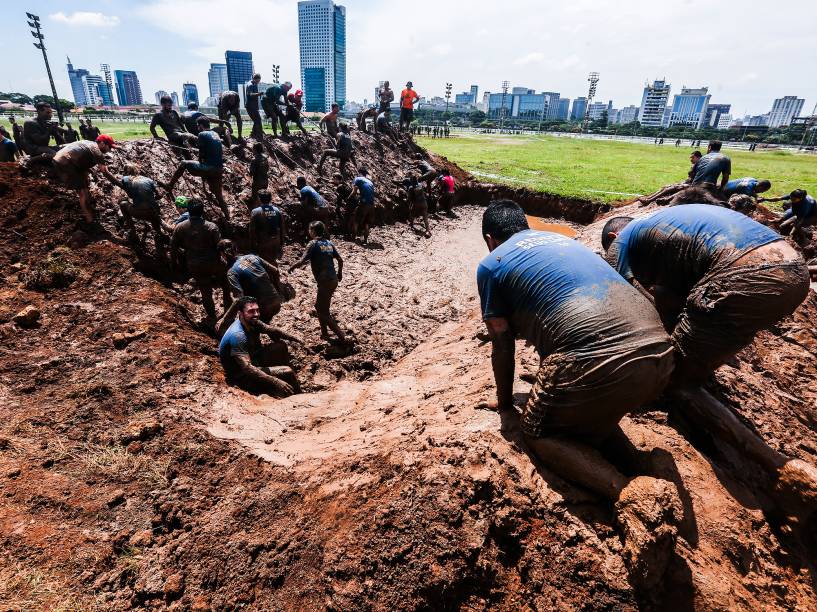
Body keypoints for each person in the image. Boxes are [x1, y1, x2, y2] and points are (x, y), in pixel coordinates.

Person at [477, 201, 679, 576]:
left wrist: (506, 405)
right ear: (526, 226)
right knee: (588, 412)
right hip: (661, 355)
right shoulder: (565, 242)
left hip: (603, 362)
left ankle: (627, 494)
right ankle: (643, 464)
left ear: (491, 239)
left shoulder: (492, 264)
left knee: (538, 432)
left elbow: (502, 343)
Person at [602, 205, 809, 383]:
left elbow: (625, 294)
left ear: (613, 237)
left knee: (673, 376)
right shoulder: (662, 226)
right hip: (795, 270)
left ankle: (705, 411)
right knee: (706, 342)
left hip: (751, 272)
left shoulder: (621, 241)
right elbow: (672, 294)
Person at [218, 296, 299, 397]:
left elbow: (271, 330)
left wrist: (297, 339)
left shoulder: (252, 322)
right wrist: (276, 381)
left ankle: (283, 380)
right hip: (242, 375)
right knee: (288, 371)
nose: (256, 314)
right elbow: (247, 368)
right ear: (240, 314)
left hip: (253, 359)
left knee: (280, 346)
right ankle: (296, 395)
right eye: (251, 311)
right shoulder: (238, 335)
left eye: (257, 310)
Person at [170, 199, 232, 322]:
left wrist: (174, 263)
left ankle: (212, 317)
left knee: (205, 292)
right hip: (214, 262)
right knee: (225, 284)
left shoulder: (180, 227)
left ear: (188, 210)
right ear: (202, 211)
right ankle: (229, 311)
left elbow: (173, 247)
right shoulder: (211, 227)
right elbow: (219, 246)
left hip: (195, 264)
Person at [290, 221, 347, 343]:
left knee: (323, 312)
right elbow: (340, 260)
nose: (309, 232)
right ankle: (325, 333)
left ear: (313, 231)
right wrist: (339, 274)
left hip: (324, 281)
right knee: (320, 307)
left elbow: (302, 260)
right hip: (333, 280)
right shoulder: (329, 243)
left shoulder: (313, 243)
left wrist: (291, 268)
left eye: (310, 230)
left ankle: (343, 337)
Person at [164, 117, 229, 220]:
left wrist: (194, 155)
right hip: (218, 169)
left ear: (201, 125)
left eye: (198, 126)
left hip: (208, 168)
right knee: (219, 196)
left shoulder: (202, 134)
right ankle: (227, 216)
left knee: (184, 163)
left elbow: (201, 155)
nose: (197, 128)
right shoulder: (215, 134)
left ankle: (169, 185)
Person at [52, 134, 114, 223]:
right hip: (66, 163)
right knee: (82, 192)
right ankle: (89, 219)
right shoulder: (97, 151)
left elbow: (82, 157)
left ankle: (89, 206)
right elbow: (106, 173)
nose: (109, 150)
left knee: (85, 182)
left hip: (65, 160)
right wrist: (123, 186)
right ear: (103, 144)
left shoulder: (89, 143)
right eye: (109, 147)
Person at [220, 239, 285, 322]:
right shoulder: (252, 257)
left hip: (262, 309)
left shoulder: (232, 272)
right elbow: (275, 271)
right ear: (236, 248)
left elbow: (238, 299)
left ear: (222, 255)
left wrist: (224, 318)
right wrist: (278, 290)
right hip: (276, 301)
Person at [101, 162, 165, 244]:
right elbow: (159, 195)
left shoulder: (126, 179)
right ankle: (158, 232)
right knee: (150, 209)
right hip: (155, 210)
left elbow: (119, 184)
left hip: (141, 212)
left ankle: (132, 231)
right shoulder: (148, 179)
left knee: (123, 204)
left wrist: (107, 173)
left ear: (126, 172)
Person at [637, 151, 702, 206]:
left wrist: (683, 184)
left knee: (670, 188)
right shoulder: (697, 165)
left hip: (694, 186)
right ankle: (648, 198)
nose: (691, 159)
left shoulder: (700, 165)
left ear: (698, 157)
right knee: (666, 187)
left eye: (693, 157)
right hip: (689, 183)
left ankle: (648, 200)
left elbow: (694, 179)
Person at [249, 190, 286, 263]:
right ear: (270, 199)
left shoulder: (255, 212)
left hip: (264, 242)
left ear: (259, 199)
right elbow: (282, 227)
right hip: (276, 241)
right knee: (273, 260)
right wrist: (282, 242)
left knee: (264, 262)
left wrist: (253, 246)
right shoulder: (277, 210)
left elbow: (251, 230)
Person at [351, 168, 375, 244]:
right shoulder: (370, 182)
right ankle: (365, 240)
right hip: (371, 204)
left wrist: (349, 198)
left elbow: (354, 191)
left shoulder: (358, 179)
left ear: (360, 173)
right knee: (367, 223)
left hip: (364, 203)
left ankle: (353, 237)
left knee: (356, 220)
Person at [248, 142, 270, 207]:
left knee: (255, 199)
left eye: (253, 149)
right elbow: (267, 169)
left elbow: (252, 173)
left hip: (257, 183)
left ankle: (257, 213)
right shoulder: (265, 158)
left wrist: (249, 171)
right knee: (263, 199)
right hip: (265, 181)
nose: (252, 150)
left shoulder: (254, 160)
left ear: (255, 150)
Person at [245, 73, 265, 139]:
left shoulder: (254, 84)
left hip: (254, 106)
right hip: (250, 106)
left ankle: (254, 133)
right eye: (257, 81)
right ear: (254, 79)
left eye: (259, 81)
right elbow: (250, 94)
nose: (258, 82)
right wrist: (259, 93)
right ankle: (258, 134)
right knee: (257, 120)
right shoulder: (250, 85)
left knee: (257, 120)